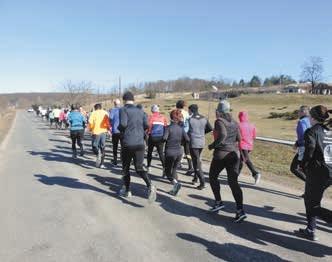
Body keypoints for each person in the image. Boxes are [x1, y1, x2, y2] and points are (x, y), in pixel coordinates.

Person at [296, 105, 332, 241]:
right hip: (329, 171)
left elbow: (309, 149)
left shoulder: (311, 131)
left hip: (317, 172)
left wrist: (302, 164)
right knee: (311, 200)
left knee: (313, 205)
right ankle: (310, 229)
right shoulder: (329, 131)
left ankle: (311, 229)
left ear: (312, 117)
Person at [208, 100, 247, 223]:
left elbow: (223, 135)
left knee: (213, 176)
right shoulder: (235, 122)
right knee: (233, 182)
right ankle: (240, 210)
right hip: (234, 154)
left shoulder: (219, 121)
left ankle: (218, 202)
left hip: (221, 154)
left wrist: (213, 145)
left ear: (218, 111)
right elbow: (240, 139)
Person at [118, 91, 156, 202]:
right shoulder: (141, 111)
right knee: (139, 167)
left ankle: (127, 190)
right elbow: (147, 125)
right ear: (133, 100)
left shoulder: (123, 110)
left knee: (125, 168)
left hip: (128, 143)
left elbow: (123, 124)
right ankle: (150, 185)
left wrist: (120, 129)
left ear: (124, 100)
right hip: (140, 143)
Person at [163, 109, 189, 196]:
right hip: (179, 152)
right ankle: (175, 188)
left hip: (170, 152)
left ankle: (175, 184)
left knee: (167, 171)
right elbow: (188, 139)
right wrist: (181, 142)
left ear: (171, 117)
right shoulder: (181, 129)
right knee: (174, 169)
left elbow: (164, 138)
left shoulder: (168, 128)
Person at [187, 104, 212, 189]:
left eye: (189, 110)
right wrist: (202, 133)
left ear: (191, 110)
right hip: (201, 142)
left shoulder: (190, 119)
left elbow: (187, 131)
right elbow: (210, 128)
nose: (188, 112)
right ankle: (195, 178)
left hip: (193, 143)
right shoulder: (204, 118)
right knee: (197, 160)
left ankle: (202, 183)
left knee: (196, 162)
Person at [290, 106, 311, 188]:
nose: (298, 113)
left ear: (304, 112)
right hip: (311, 147)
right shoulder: (311, 121)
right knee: (305, 169)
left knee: (294, 168)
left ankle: (312, 186)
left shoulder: (301, 122)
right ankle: (310, 189)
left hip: (303, 147)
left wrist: (297, 143)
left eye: (299, 111)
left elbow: (303, 135)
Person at [238, 111, 261, 185]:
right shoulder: (252, 125)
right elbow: (254, 136)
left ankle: (255, 173)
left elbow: (236, 136)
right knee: (241, 160)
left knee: (245, 159)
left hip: (242, 145)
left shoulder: (238, 125)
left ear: (240, 117)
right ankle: (235, 174)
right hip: (249, 145)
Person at [146, 104, 167, 175]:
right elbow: (165, 127)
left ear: (152, 110)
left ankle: (149, 167)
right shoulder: (163, 117)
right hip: (161, 137)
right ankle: (164, 168)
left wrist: (148, 133)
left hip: (152, 137)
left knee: (149, 152)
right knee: (161, 153)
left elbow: (149, 127)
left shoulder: (150, 117)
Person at [88, 103, 111, 168]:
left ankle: (98, 154)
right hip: (104, 132)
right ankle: (102, 164)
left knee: (94, 146)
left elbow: (90, 123)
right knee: (103, 147)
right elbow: (107, 122)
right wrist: (109, 130)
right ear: (101, 107)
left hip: (96, 132)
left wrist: (90, 130)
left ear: (95, 108)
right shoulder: (105, 113)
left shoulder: (93, 113)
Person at [176, 100, 193, 173]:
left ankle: (178, 163)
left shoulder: (176, 112)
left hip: (179, 133)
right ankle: (190, 166)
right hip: (186, 134)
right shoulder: (186, 113)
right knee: (187, 151)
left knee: (177, 149)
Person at [109, 99, 122, 166]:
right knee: (123, 146)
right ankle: (123, 159)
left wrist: (111, 124)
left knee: (115, 146)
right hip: (123, 131)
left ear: (114, 104)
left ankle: (115, 161)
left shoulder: (113, 110)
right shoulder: (123, 109)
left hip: (115, 130)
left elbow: (110, 118)